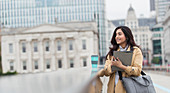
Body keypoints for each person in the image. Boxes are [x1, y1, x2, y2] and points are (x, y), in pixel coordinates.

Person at [97, 26, 143, 93]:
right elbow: (106, 71)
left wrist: (122, 67)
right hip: (112, 89)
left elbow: (138, 71)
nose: (117, 37)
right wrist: (112, 67)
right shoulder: (112, 52)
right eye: (116, 35)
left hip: (129, 89)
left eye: (119, 34)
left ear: (126, 36)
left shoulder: (136, 51)